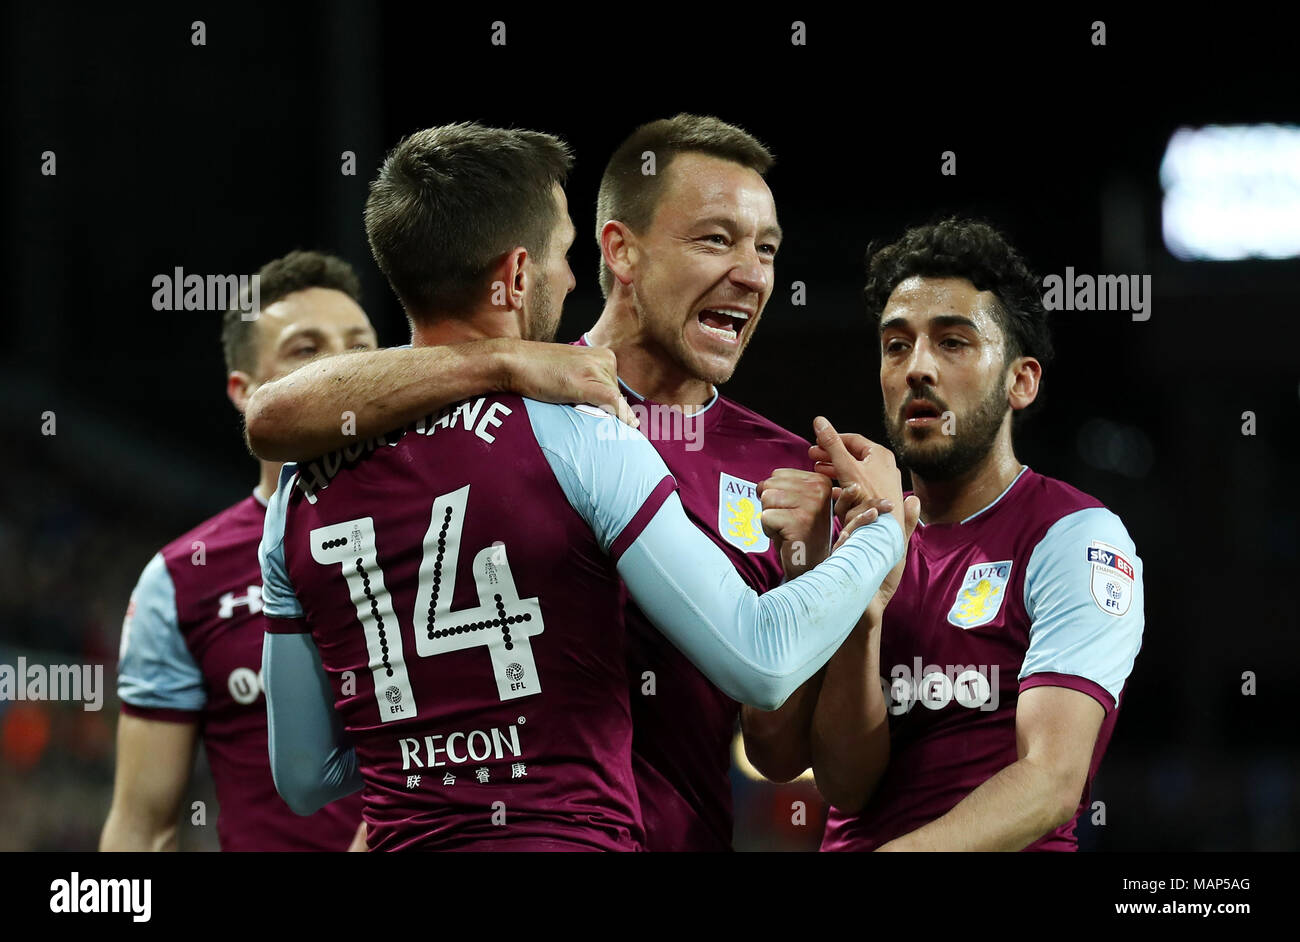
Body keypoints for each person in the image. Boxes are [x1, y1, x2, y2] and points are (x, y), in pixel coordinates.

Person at [244, 114, 892, 850]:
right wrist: (880, 535)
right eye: (715, 238)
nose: (751, 270)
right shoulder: (571, 425)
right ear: (617, 252)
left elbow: (303, 774)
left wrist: (433, 752)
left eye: (767, 247)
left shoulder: (304, 484)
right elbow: (760, 658)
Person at [797, 218, 1144, 851]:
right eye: (896, 345)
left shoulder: (1075, 537)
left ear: (1022, 381)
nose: (917, 369)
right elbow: (845, 785)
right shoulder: (858, 534)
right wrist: (861, 613)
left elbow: (1051, 781)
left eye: (953, 342)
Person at [101, 251, 374, 851]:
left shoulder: (448, 525)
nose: (340, 366)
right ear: (245, 392)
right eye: (306, 349)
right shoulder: (178, 580)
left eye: (360, 348)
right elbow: (142, 829)